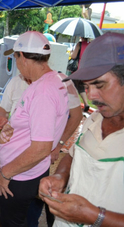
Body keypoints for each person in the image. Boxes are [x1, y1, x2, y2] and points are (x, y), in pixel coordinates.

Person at [39, 32, 124, 227]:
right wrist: (60, 176)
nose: (91, 95)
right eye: (86, 86)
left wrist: (95, 216)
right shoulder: (94, 120)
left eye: (99, 84)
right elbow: (73, 154)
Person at [0, 31, 69, 227]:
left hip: (20, 176)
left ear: (23, 58)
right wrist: (10, 129)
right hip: (30, 172)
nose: (17, 64)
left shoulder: (43, 91)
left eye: (16, 58)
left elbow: (40, 148)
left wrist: (5, 174)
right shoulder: (55, 79)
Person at [0, 72, 82, 226]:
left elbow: (77, 115)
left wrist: (58, 145)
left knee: (31, 208)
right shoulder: (15, 82)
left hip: (37, 162)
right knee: (14, 213)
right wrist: (2, 119)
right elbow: (2, 109)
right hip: (13, 159)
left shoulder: (60, 82)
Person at [70, 37, 90, 112]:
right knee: (81, 87)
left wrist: (72, 52)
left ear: (81, 36)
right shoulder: (91, 45)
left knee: (71, 86)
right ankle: (86, 103)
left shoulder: (80, 44)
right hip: (87, 69)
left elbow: (73, 56)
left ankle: (74, 105)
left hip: (78, 68)